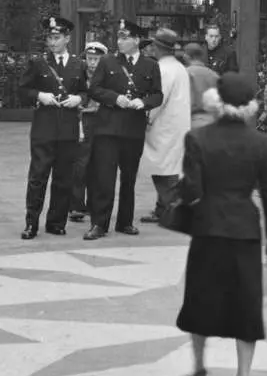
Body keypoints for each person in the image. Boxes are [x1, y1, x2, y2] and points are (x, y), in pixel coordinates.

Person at [177, 72, 267, 376]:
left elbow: (191, 191)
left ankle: (198, 369)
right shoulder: (263, 144)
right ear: (250, 106)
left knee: (199, 299)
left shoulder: (197, 138)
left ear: (214, 102)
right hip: (245, 229)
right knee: (246, 303)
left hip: (208, 228)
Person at [86, 22, 163, 241]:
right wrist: (114, 98)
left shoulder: (150, 65)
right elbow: (94, 89)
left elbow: (158, 95)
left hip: (133, 129)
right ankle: (99, 224)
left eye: (125, 37)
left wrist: (144, 102)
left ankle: (125, 222)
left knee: (128, 179)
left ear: (137, 40)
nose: (120, 41)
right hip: (108, 128)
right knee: (105, 178)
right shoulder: (108, 61)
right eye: (118, 37)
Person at [19, 17, 88, 240]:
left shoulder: (79, 64)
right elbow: (23, 90)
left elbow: (88, 91)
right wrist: (39, 95)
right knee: (38, 178)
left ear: (67, 38)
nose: (52, 42)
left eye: (57, 37)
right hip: (44, 129)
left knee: (63, 179)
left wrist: (79, 98)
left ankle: (56, 222)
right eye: (49, 37)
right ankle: (31, 223)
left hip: (68, 130)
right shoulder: (38, 63)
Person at [139, 29, 190, 226]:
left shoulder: (163, 69)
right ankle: (162, 209)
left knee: (163, 170)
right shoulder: (177, 67)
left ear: (158, 48)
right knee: (168, 166)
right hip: (174, 125)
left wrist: (147, 118)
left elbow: (158, 99)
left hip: (164, 126)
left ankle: (174, 209)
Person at [69, 41, 106, 222]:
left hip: (101, 121)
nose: (92, 63)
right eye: (90, 59)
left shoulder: (108, 77)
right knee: (80, 164)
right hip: (83, 119)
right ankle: (76, 205)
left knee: (98, 164)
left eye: (96, 59)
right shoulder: (79, 76)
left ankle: (94, 204)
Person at [183, 42, 219, 130]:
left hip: (189, 121)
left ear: (187, 56)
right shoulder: (214, 75)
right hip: (211, 121)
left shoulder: (183, 74)